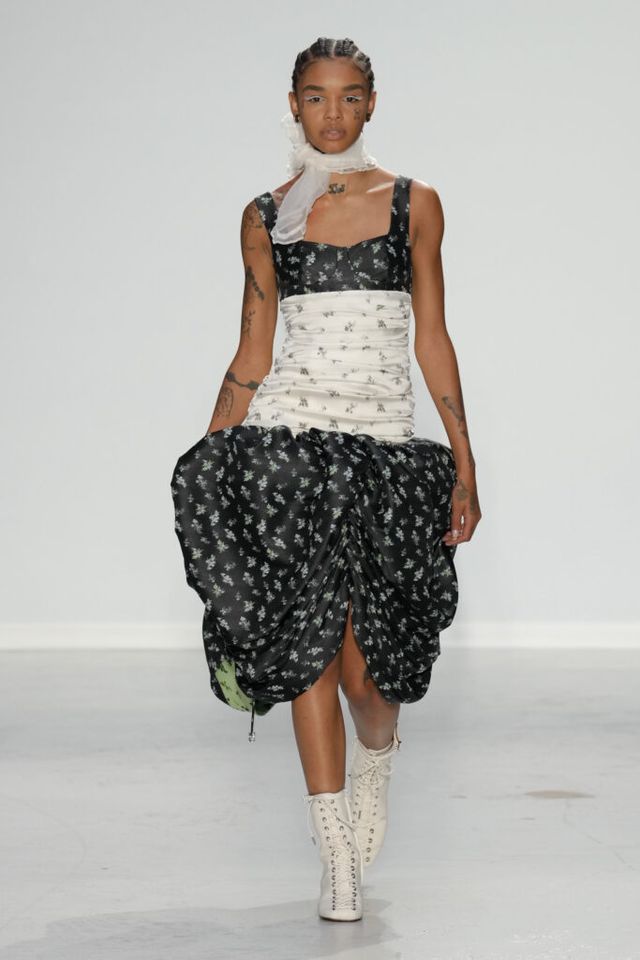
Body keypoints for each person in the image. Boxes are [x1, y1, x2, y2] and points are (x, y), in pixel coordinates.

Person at [170, 36, 481, 922]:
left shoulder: (414, 203)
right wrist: (216, 462)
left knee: (366, 676)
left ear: (372, 103)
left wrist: (464, 461)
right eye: (315, 96)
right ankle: (336, 855)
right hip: (291, 447)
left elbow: (432, 335)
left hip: (383, 446)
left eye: (349, 96)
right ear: (294, 104)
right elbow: (254, 350)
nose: (332, 113)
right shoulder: (265, 216)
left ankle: (377, 758)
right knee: (309, 645)